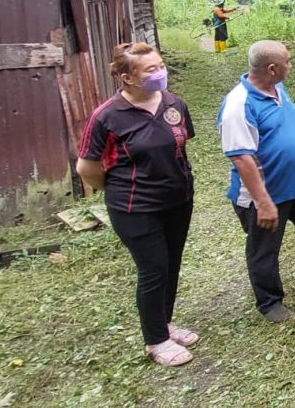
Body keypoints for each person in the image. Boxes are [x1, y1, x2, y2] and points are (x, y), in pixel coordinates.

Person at [76, 43, 197, 367]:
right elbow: (86, 168)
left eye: (161, 66)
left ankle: (166, 323)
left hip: (178, 200)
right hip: (134, 207)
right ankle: (155, 340)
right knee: (154, 268)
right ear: (127, 78)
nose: (160, 73)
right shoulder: (108, 116)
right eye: (150, 70)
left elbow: (179, 148)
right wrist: (119, 188)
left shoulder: (175, 104)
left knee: (171, 263)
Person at [219, 41, 295, 323]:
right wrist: (263, 202)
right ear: (272, 68)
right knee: (264, 248)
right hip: (265, 193)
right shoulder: (238, 104)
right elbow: (242, 158)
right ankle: (270, 302)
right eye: (288, 61)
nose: (291, 65)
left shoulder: (277, 88)